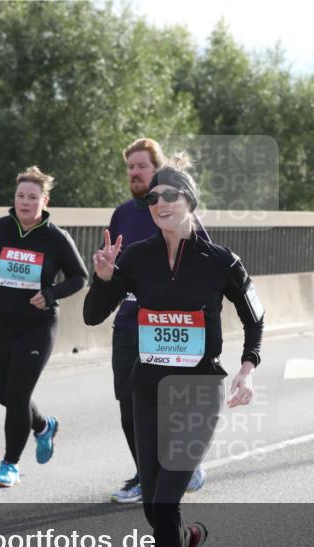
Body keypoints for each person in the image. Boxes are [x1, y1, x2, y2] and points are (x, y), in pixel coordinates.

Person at [83, 155, 264, 547]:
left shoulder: (220, 261)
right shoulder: (136, 257)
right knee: (155, 505)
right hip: (148, 389)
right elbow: (93, 316)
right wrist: (102, 278)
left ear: (189, 202)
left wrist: (248, 369)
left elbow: (255, 318)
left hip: (199, 390)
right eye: (153, 197)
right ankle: (185, 540)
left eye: (169, 195)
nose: (158, 202)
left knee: (164, 501)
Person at [0, 166, 88, 487]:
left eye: (32, 197)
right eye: (21, 196)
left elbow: (80, 277)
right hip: (1, 322)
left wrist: (50, 294)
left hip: (38, 325)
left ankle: (9, 464)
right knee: (5, 395)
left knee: (19, 394)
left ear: (45, 201)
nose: (25, 202)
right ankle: (43, 426)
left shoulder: (56, 238)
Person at [108, 138, 208, 504]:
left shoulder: (177, 211)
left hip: (169, 328)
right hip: (129, 324)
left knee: (166, 404)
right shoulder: (121, 214)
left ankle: (178, 465)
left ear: (158, 169)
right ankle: (144, 475)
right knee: (128, 405)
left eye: (142, 166)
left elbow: (205, 261)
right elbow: (115, 266)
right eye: (130, 167)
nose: (135, 172)